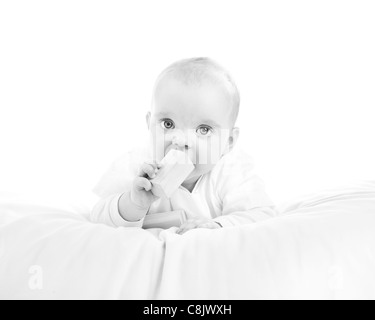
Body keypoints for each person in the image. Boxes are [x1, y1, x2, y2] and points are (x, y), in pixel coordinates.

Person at [90, 57, 276, 234]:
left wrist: (218, 225)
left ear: (228, 142)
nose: (181, 141)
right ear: (149, 125)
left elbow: (263, 216)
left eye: (203, 130)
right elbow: (97, 216)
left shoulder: (231, 172)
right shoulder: (136, 167)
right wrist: (133, 204)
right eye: (168, 124)